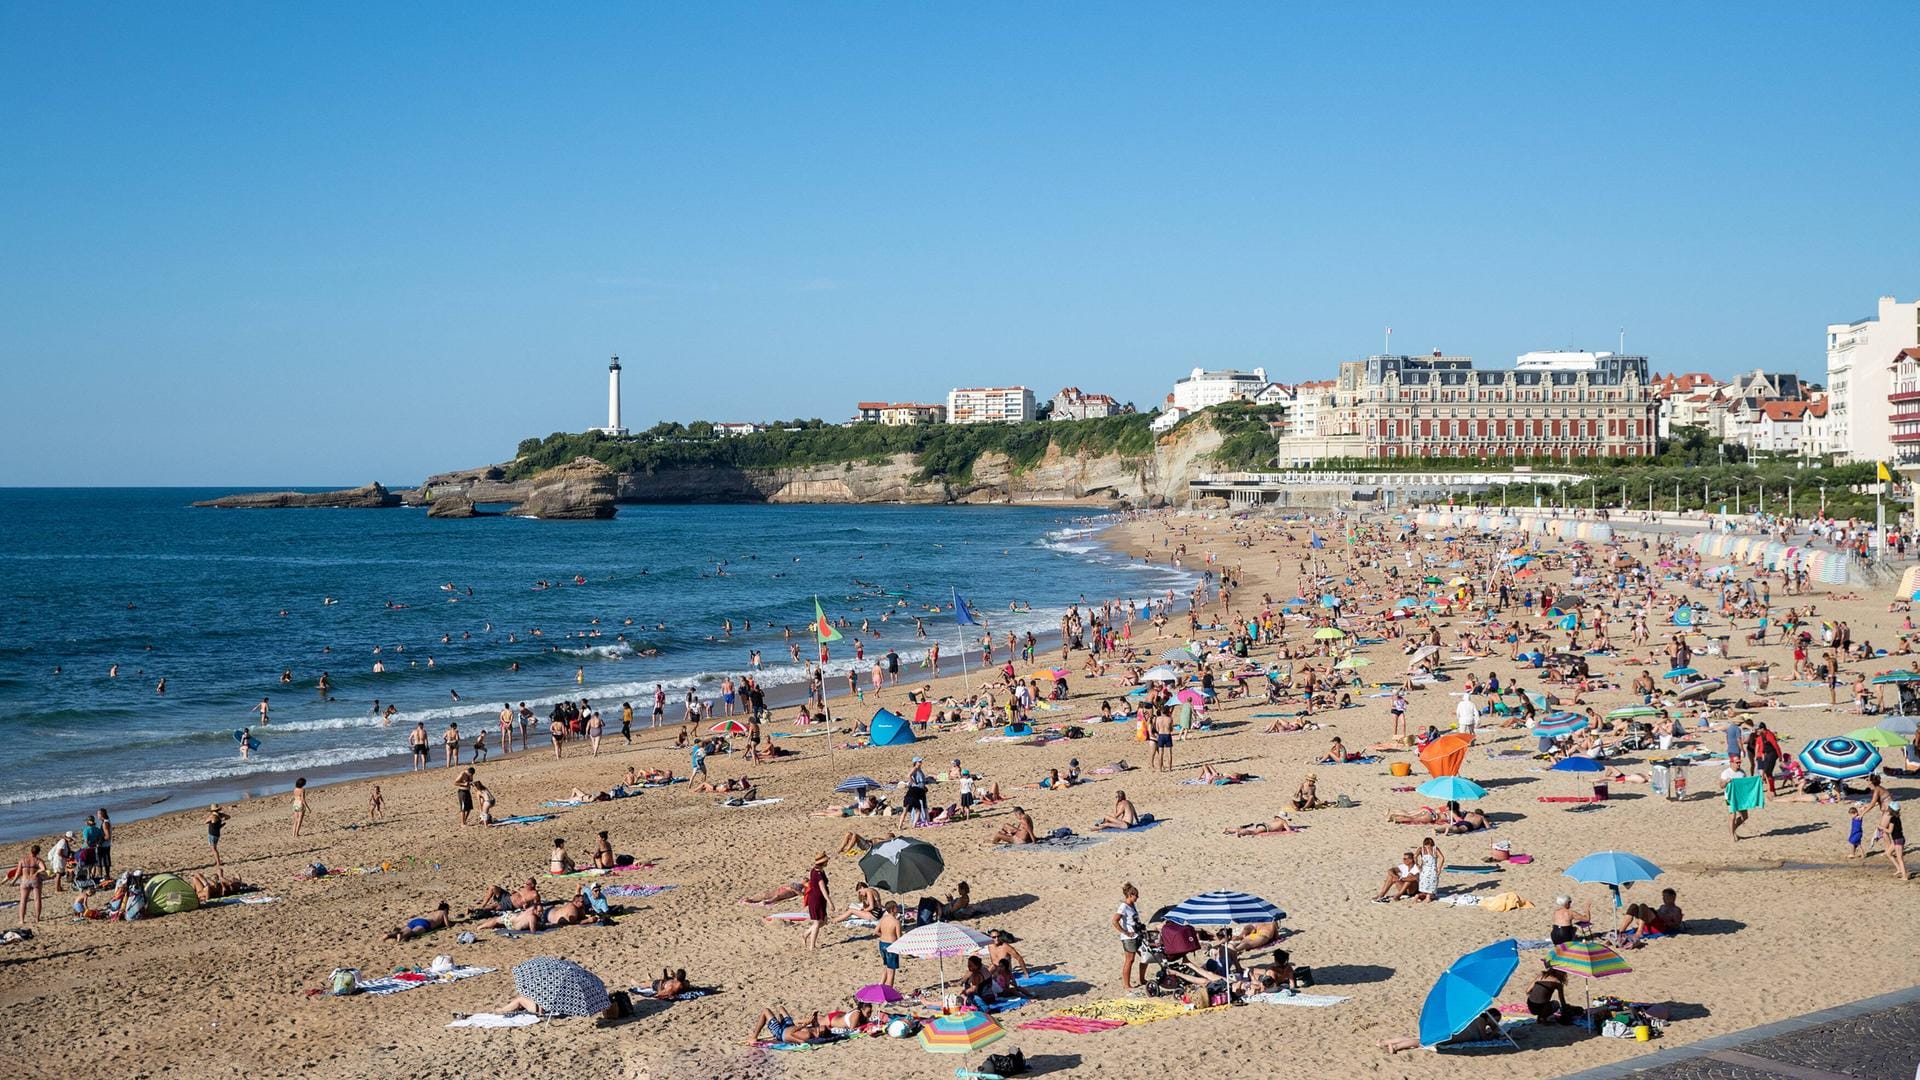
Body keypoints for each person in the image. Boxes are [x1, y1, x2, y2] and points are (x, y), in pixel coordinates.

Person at [6, 845, 46, 925]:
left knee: (23, 901)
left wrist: (13, 881)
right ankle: (37, 919)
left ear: (30, 851)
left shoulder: (23, 860)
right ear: (38, 852)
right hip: (35, 880)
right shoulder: (38, 860)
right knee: (37, 900)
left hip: (25, 880)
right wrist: (37, 872)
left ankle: (22, 920)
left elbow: (18, 873)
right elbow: (44, 869)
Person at [1113, 883, 1143, 989]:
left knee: (1145, 956)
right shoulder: (1123, 906)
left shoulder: (1132, 906)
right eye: (1136, 896)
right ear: (1130, 895)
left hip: (1137, 935)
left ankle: (1142, 979)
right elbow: (1115, 921)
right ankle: (1126, 985)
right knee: (1130, 960)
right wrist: (1125, 932)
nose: (1137, 898)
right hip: (1128, 938)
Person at [750, 1006, 827, 1045]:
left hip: (780, 1032)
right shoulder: (813, 1031)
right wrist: (811, 1020)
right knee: (781, 1008)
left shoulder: (807, 1035)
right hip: (789, 1026)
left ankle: (754, 1037)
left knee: (765, 1011)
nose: (817, 1027)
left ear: (819, 1034)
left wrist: (805, 1024)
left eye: (818, 1028)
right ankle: (780, 1022)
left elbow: (789, 1035)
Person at [802, 853, 831, 950]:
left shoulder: (818, 871)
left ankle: (806, 933)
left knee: (823, 921)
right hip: (816, 899)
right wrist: (830, 902)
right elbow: (822, 889)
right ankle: (812, 946)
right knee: (817, 922)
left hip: (819, 899)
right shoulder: (818, 874)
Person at [384, 900, 454, 941]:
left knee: (402, 931)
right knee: (413, 932)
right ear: (446, 909)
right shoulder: (443, 912)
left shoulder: (433, 912)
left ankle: (389, 935)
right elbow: (447, 925)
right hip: (425, 924)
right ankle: (401, 936)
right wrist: (451, 925)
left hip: (417, 920)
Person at [876, 900, 904, 987]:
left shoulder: (883, 919)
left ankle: (880, 984)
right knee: (891, 971)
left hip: (882, 944)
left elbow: (876, 931)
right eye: (896, 907)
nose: (898, 909)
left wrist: (884, 935)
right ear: (892, 909)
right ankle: (889, 991)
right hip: (891, 946)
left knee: (887, 966)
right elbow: (899, 937)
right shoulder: (896, 922)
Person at [1884, 800, 1909, 881]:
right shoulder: (1897, 817)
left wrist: (1881, 828)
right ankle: (1899, 869)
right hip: (1897, 839)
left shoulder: (1893, 819)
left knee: (1900, 858)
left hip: (1898, 840)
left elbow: (1890, 831)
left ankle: (1904, 876)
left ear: (1891, 810)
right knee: (1888, 853)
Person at [1414, 837, 1445, 901]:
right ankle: (1428, 897)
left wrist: (1417, 865)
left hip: (1424, 870)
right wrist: (1439, 868)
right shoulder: (1434, 849)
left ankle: (1418, 896)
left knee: (1424, 890)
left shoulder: (1421, 849)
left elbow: (1415, 856)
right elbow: (1442, 858)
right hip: (1432, 870)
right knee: (1431, 890)